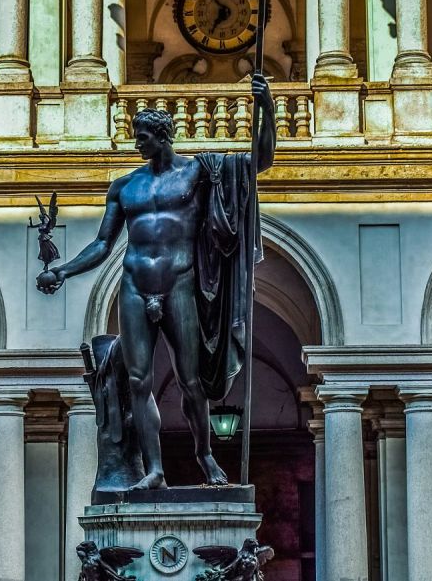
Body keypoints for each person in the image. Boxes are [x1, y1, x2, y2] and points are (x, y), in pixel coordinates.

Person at [37, 74, 276, 489]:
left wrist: (267, 107)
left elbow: (261, 161)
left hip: (180, 282)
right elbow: (101, 244)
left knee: (191, 380)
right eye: (136, 137)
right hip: (134, 284)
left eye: (143, 137)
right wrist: (63, 269)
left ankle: (204, 456)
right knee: (137, 380)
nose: (137, 144)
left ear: (163, 137)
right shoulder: (125, 186)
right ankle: (155, 471)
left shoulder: (200, 171)